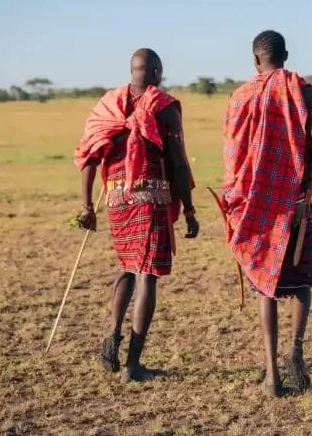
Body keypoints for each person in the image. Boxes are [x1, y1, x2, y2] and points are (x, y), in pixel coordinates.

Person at [220, 30, 312, 396]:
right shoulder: (300, 89)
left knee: (265, 288)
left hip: (254, 213)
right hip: (295, 210)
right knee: (301, 283)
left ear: (254, 60)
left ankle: (271, 376)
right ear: (286, 55)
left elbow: (232, 157)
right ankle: (296, 349)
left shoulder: (239, 97)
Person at [74, 48, 199, 382]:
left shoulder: (109, 104)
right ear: (156, 71)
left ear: (133, 70)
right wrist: (189, 209)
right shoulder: (164, 107)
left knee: (127, 267)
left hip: (116, 199)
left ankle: (112, 334)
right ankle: (132, 366)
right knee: (147, 276)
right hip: (150, 197)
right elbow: (177, 161)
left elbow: (88, 155)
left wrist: (87, 206)